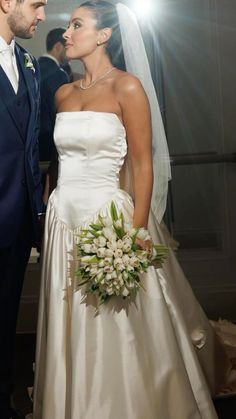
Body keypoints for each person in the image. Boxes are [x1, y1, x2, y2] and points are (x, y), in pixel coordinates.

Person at [33, 2, 236, 419]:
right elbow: (57, 159)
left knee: (113, 320)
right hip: (62, 217)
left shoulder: (128, 88)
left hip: (108, 216)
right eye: (68, 26)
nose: (66, 33)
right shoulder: (62, 92)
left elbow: (143, 163)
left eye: (76, 25)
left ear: (103, 35)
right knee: (67, 312)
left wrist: (136, 231)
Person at [0, 0, 47, 418]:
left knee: (5, 324)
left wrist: (38, 212)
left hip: (16, 224)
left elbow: (29, 145)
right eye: (37, 4)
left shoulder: (29, 62)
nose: (43, 15)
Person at [38, 27, 69, 162]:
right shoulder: (58, 74)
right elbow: (59, 113)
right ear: (58, 47)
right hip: (49, 142)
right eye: (66, 47)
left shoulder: (32, 67)